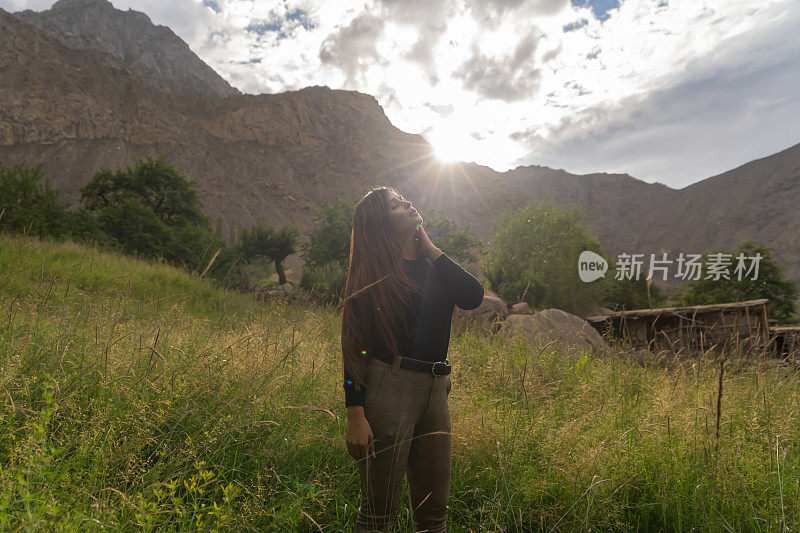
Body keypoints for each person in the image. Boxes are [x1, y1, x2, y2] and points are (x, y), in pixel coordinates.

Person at [341, 186, 484, 532]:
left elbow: (473, 296)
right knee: (377, 514)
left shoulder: (434, 266)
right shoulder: (373, 278)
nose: (406, 203)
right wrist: (355, 414)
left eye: (402, 198)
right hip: (389, 387)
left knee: (434, 515)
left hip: (436, 390)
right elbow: (356, 352)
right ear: (381, 222)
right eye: (395, 204)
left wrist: (432, 250)